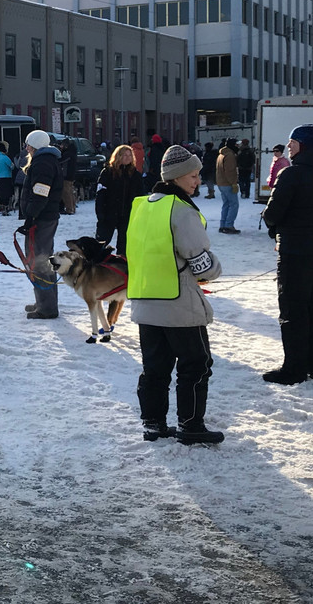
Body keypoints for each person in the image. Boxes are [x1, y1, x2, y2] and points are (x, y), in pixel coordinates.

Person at [126, 145, 223, 445]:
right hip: (179, 305)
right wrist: (216, 269)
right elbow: (201, 262)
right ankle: (191, 424)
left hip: (145, 301)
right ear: (177, 177)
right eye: (193, 176)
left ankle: (153, 423)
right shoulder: (180, 210)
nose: (197, 181)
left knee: (154, 368)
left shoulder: (142, 205)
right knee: (195, 364)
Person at [260, 125, 313, 385]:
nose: (289, 146)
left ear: (303, 144)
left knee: (293, 309)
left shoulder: (290, 174)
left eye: (293, 142)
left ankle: (294, 369)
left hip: (295, 249)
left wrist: (274, 225)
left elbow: (272, 213)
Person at [19, 130, 63, 320]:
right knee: (43, 258)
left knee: (39, 260)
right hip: (46, 217)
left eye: (28, 145)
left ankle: (47, 308)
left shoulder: (42, 163)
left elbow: (40, 193)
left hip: (41, 219)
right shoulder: (47, 161)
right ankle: (45, 301)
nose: (26, 148)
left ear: (33, 146)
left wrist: (31, 217)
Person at [94, 144, 145, 256]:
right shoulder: (107, 172)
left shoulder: (135, 175)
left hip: (127, 215)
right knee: (100, 245)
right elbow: (100, 195)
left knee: (125, 247)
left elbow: (141, 196)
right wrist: (100, 214)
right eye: (124, 155)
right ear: (118, 156)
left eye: (129, 155)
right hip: (109, 214)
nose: (127, 157)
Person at [215, 138, 240, 234]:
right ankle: (229, 225)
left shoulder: (221, 154)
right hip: (228, 183)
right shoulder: (230, 155)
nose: (238, 146)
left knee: (226, 204)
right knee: (234, 205)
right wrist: (233, 183)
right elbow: (230, 171)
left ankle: (223, 225)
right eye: (236, 144)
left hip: (221, 183)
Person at [0, 141, 15, 215]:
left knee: (1, 193)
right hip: (6, 177)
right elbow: (12, 166)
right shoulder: (5, 157)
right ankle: (6, 208)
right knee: (7, 193)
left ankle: (1, 206)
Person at [59, 138, 77, 214]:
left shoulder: (67, 154)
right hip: (71, 175)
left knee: (66, 193)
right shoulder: (73, 152)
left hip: (66, 175)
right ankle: (72, 207)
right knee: (70, 192)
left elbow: (61, 160)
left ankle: (69, 209)